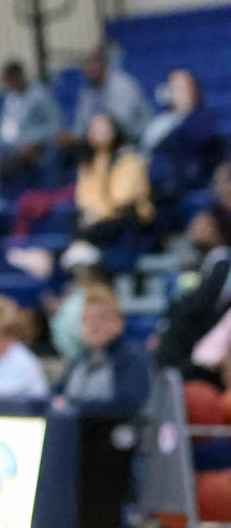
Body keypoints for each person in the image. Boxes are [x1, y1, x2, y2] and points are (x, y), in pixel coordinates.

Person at [53, 286, 153, 528]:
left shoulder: (130, 358)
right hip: (78, 439)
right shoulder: (79, 360)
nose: (93, 326)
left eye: (101, 319)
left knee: (103, 464)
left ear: (118, 323)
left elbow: (129, 403)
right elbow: (56, 396)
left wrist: (76, 406)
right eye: (88, 320)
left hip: (117, 441)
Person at [156, 205, 231, 380]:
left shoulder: (222, 259)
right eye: (194, 223)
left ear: (218, 230)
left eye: (203, 225)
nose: (195, 228)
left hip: (205, 336)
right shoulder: (198, 264)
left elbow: (207, 303)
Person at [73, 111, 154, 251]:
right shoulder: (87, 164)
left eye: (102, 128)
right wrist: (91, 214)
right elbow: (82, 197)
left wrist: (98, 215)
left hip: (127, 220)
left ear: (114, 130)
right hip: (97, 222)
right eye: (93, 129)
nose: (96, 132)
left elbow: (122, 198)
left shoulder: (130, 159)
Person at [142, 68, 223, 201]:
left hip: (188, 190)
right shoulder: (159, 123)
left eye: (182, 88)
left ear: (194, 90)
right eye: (173, 88)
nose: (178, 93)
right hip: (158, 190)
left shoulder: (204, 118)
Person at [67, 44, 151, 149]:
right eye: (85, 65)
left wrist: (90, 133)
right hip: (104, 140)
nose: (88, 69)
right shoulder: (87, 90)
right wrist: (75, 136)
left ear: (102, 64)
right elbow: (81, 121)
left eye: (92, 64)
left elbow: (119, 125)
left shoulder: (122, 84)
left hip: (135, 140)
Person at [0, 60, 63, 186]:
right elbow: (5, 129)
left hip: (38, 145)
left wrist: (31, 142)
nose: (9, 84)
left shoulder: (40, 94)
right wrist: (14, 146)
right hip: (13, 147)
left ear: (19, 76)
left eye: (11, 79)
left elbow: (55, 126)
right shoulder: (11, 98)